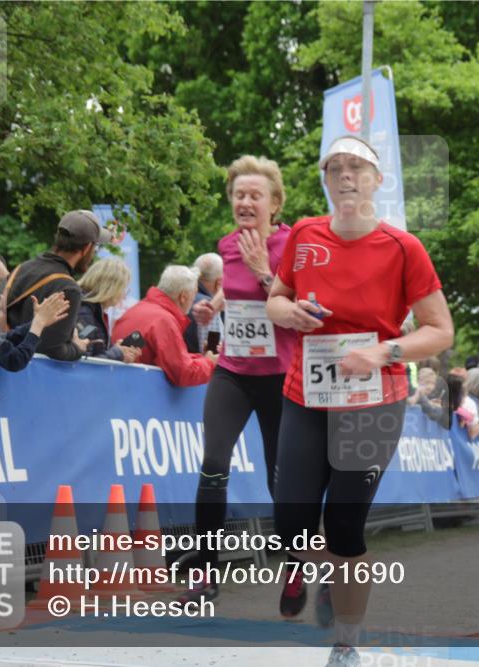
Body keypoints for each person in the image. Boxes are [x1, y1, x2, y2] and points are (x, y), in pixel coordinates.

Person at [266, 135, 453, 667]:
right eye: (336, 169)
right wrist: (288, 313)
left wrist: (382, 350)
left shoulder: (403, 247)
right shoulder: (304, 233)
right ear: (326, 181)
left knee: (345, 527)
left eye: (357, 168)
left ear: (378, 180)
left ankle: (346, 643)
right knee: (290, 525)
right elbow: (275, 299)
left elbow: (439, 331)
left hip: (374, 400)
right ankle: (335, 575)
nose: (346, 176)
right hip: (306, 394)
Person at [176, 156, 300, 608]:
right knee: (213, 465)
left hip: (279, 378)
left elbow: (300, 304)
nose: (245, 202)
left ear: (274, 202)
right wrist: (217, 304)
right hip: (232, 371)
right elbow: (237, 284)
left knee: (279, 478)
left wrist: (265, 270)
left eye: (255, 195)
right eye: (238, 195)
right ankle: (206, 570)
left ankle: (294, 563)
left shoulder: (293, 244)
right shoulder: (227, 245)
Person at [5, 210, 112, 360]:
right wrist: (77, 348)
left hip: (2, 365)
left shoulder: (21, 268)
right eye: (95, 246)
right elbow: (53, 350)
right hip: (32, 377)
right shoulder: (68, 288)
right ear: (87, 247)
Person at [111, 265, 216, 386]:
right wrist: (210, 362)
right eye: (194, 295)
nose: (194, 300)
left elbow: (173, 360)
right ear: (183, 297)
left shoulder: (137, 309)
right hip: (139, 393)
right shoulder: (164, 321)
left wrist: (201, 359)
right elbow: (184, 373)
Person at [75, 258, 141, 363]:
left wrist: (118, 350)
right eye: (123, 288)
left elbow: (92, 353)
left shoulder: (92, 310)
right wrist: (117, 353)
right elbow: (84, 361)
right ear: (111, 287)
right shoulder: (85, 312)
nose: (124, 295)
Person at [184, 252, 224, 354]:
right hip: (199, 366)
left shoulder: (182, 297)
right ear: (219, 282)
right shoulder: (209, 308)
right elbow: (212, 353)